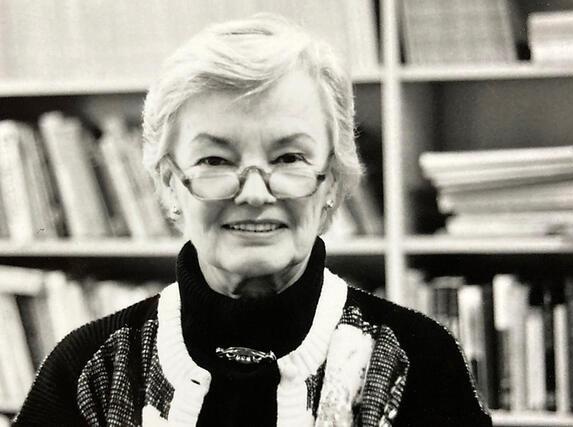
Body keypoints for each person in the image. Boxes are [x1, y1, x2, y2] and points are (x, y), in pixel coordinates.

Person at [15, 14, 492, 426]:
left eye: (289, 158)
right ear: (167, 183)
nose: (255, 193)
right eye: (215, 161)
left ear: (334, 182)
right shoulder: (90, 371)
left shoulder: (420, 359)